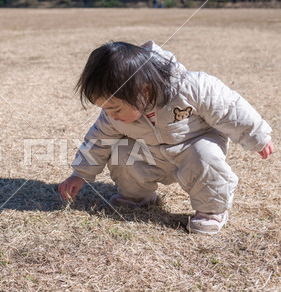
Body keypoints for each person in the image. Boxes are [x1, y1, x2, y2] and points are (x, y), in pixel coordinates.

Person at [58, 41, 274, 235]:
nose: (110, 114)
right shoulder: (112, 116)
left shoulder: (192, 87)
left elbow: (230, 109)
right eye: (104, 108)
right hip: (150, 151)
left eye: (114, 108)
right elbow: (98, 139)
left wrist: (258, 137)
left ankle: (211, 211)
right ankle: (137, 196)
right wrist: (80, 174)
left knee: (205, 158)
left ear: (143, 90)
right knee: (122, 153)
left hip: (193, 145)